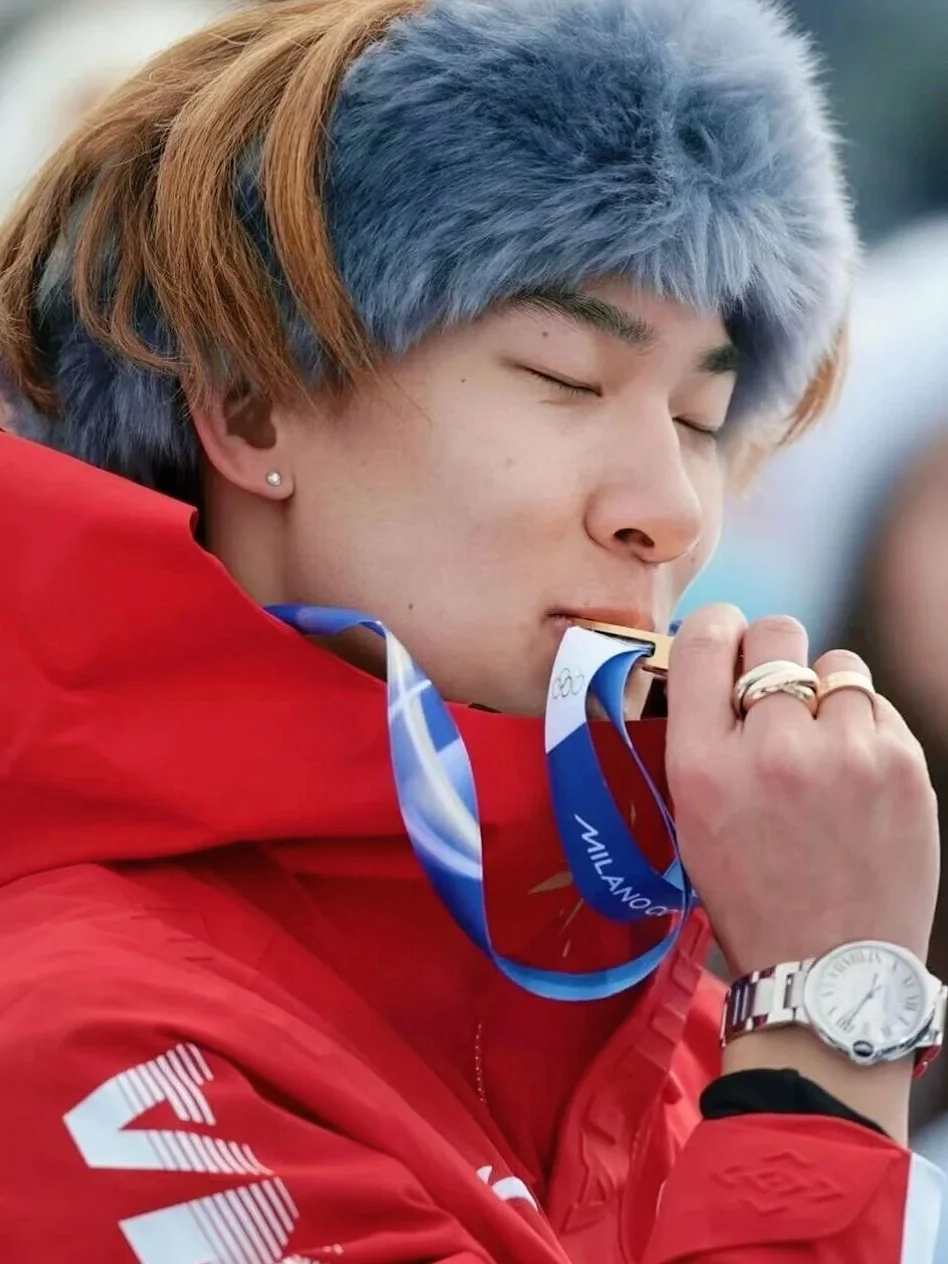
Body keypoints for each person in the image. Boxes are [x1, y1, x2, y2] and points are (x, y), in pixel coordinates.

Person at [0, 1, 942, 1261]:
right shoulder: (92, 1050)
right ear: (254, 407)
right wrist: (824, 1029)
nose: (668, 511)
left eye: (700, 420)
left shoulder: (677, 1026)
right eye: (567, 378)